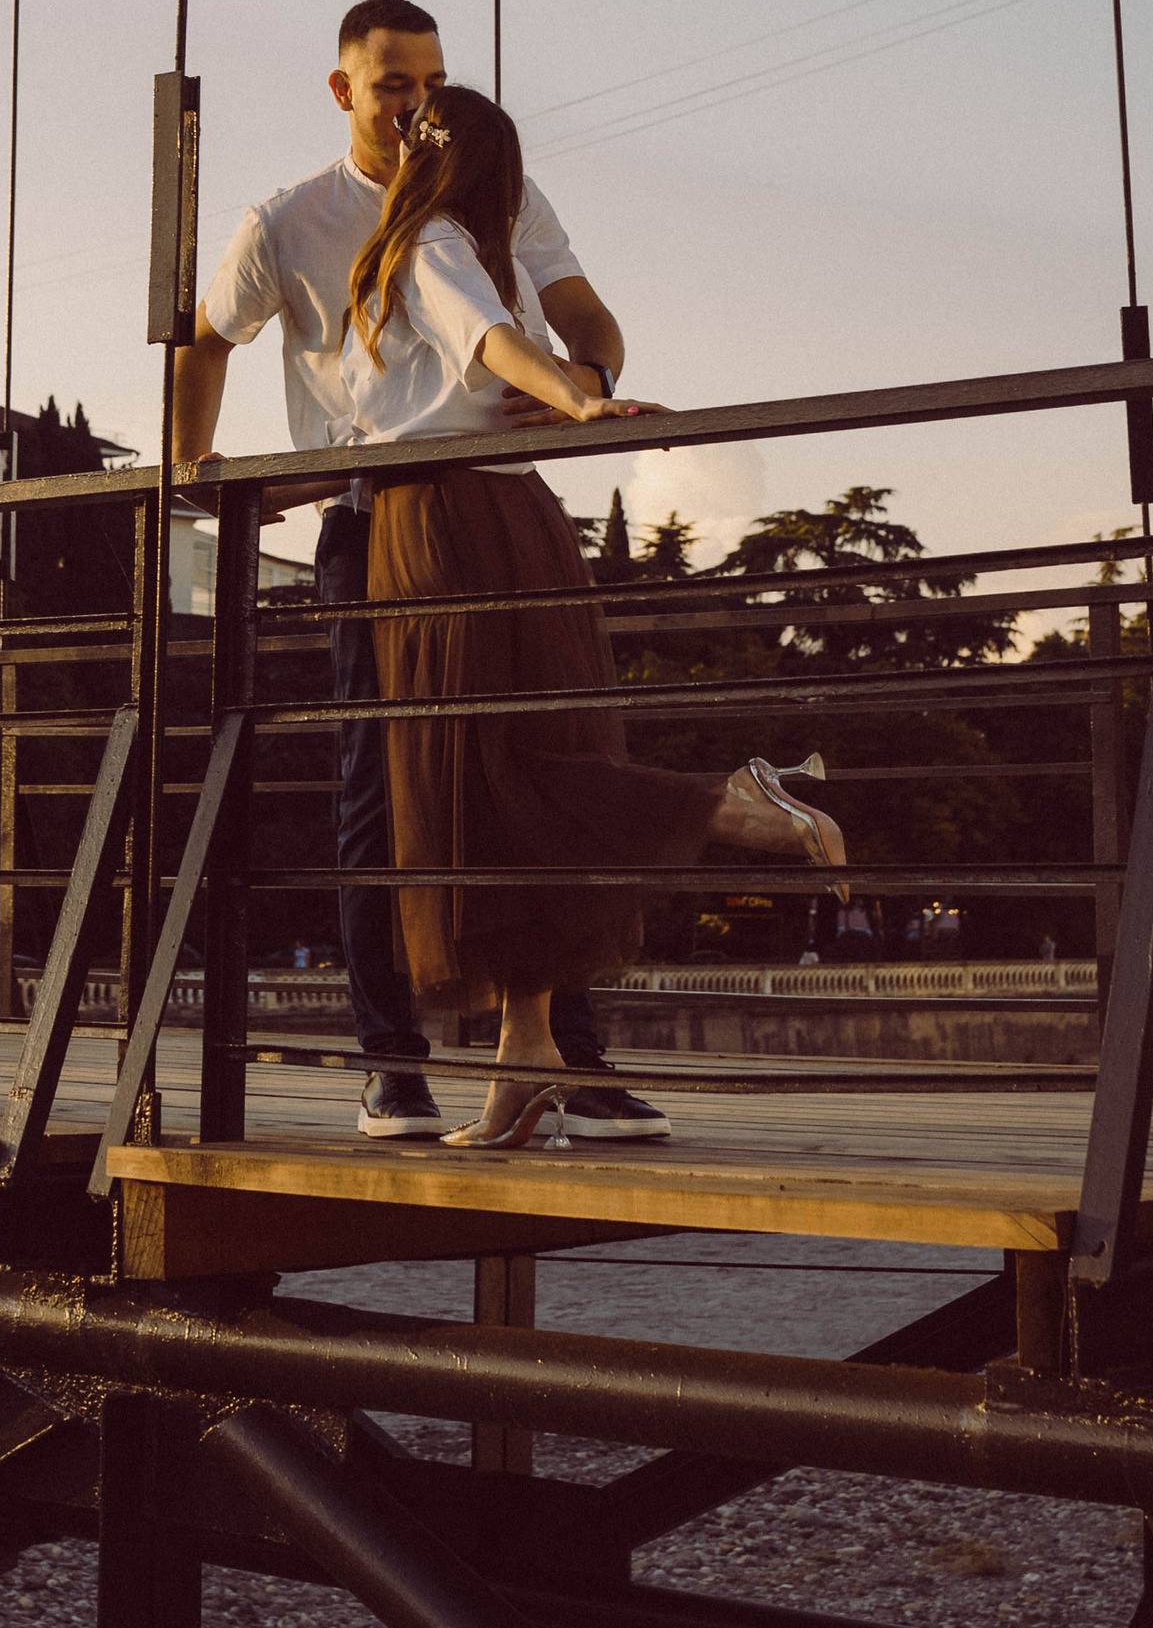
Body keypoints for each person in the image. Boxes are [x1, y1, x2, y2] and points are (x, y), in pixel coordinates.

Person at [176, 0, 671, 1142]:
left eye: (432, 82)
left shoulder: (488, 189)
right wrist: (192, 472)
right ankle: (391, 1066)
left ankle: (568, 1059)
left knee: (543, 768)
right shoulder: (288, 220)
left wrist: (587, 382)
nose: (415, 104)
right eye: (394, 84)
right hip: (373, 524)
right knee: (379, 790)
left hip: (498, 501)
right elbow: (204, 340)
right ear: (343, 88)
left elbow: (581, 314)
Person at [347, 84, 844, 1146]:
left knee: (482, 778)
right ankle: (523, 1060)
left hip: (441, 524)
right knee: (516, 774)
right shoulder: (496, 258)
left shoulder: (425, 245)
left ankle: (730, 805)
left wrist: (579, 397)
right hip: (518, 514)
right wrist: (580, 387)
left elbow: (486, 348)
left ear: (422, 160)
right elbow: (492, 363)